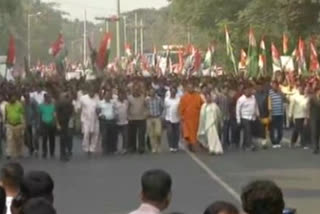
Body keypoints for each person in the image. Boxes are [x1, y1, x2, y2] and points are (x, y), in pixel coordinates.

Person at [179, 83, 203, 152]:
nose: (191, 89)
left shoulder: (198, 96)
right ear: (187, 89)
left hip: (196, 118)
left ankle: (194, 145)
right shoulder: (184, 97)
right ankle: (191, 145)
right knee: (189, 133)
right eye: (189, 87)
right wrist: (181, 116)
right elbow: (181, 108)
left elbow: (202, 105)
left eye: (192, 87)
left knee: (195, 133)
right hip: (187, 119)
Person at [236, 86, 259, 151]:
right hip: (244, 117)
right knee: (248, 130)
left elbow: (256, 106)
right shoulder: (241, 99)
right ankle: (249, 145)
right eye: (247, 90)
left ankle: (245, 144)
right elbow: (238, 110)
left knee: (249, 131)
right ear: (245, 91)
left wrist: (257, 114)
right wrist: (238, 119)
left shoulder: (253, 98)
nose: (249, 92)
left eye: (250, 90)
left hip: (252, 117)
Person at [128, 86, 148, 154]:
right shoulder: (129, 98)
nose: (136, 91)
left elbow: (146, 106)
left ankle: (141, 147)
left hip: (141, 118)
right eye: (135, 90)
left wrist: (146, 114)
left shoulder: (143, 97)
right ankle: (132, 147)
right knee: (132, 134)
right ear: (133, 91)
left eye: (137, 90)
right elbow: (127, 107)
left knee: (141, 134)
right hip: (132, 118)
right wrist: (128, 116)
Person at [79, 88, 100, 155]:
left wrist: (98, 111)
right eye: (91, 91)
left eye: (93, 92)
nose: (92, 93)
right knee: (86, 133)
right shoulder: (83, 98)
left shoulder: (97, 97)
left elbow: (98, 107)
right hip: (86, 119)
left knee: (95, 133)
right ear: (88, 91)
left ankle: (92, 148)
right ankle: (86, 148)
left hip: (95, 119)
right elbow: (79, 108)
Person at [97, 90, 117, 155]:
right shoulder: (100, 103)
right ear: (104, 95)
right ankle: (104, 149)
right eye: (106, 94)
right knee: (104, 135)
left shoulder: (113, 102)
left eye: (109, 95)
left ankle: (112, 149)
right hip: (104, 121)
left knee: (112, 135)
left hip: (112, 120)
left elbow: (115, 110)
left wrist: (115, 115)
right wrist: (100, 115)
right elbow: (98, 112)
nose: (108, 96)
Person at [289, 84, 309, 149]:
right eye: (300, 88)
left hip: (304, 115)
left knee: (297, 129)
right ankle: (304, 143)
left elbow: (307, 106)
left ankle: (292, 141)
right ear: (298, 89)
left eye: (302, 88)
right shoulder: (294, 97)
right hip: (297, 115)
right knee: (301, 129)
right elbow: (291, 106)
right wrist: (290, 115)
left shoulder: (305, 96)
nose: (301, 89)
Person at [5, 94, 25, 159]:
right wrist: (5, 122)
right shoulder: (7, 105)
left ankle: (20, 152)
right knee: (9, 139)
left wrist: (23, 125)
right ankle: (9, 153)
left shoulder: (19, 105)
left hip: (18, 124)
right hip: (10, 124)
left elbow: (22, 114)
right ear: (9, 98)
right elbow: (6, 114)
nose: (12, 99)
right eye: (11, 98)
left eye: (13, 98)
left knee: (18, 140)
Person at [56, 91, 74, 161]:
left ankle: (64, 153)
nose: (67, 98)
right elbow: (56, 114)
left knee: (66, 138)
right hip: (61, 123)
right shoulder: (59, 104)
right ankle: (62, 154)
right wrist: (57, 124)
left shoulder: (70, 105)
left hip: (66, 123)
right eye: (66, 97)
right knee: (62, 139)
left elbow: (71, 114)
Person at [38, 94, 56, 159]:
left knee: (52, 139)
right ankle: (44, 152)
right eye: (47, 98)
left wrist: (54, 122)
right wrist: (39, 124)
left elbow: (54, 114)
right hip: (44, 123)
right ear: (45, 98)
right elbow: (39, 115)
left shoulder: (53, 106)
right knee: (44, 138)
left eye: (49, 98)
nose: (49, 99)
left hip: (51, 123)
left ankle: (52, 152)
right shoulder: (41, 106)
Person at [145, 88, 163, 153]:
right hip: (149, 118)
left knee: (158, 133)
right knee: (151, 134)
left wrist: (161, 116)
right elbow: (145, 107)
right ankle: (153, 147)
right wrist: (146, 114)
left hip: (157, 117)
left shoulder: (159, 99)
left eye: (153, 92)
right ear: (149, 93)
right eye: (150, 92)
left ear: (155, 92)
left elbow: (162, 107)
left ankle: (159, 145)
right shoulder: (147, 100)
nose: (151, 93)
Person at [269, 81, 285, 148]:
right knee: (272, 129)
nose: (274, 87)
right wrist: (269, 114)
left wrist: (280, 92)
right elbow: (269, 103)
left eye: (275, 85)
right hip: (273, 114)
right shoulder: (270, 93)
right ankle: (273, 142)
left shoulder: (280, 92)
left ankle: (278, 141)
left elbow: (285, 99)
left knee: (280, 129)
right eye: (273, 85)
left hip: (280, 114)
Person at [164, 86, 181, 152]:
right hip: (168, 118)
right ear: (170, 92)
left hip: (177, 118)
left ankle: (175, 145)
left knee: (176, 133)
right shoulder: (166, 99)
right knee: (170, 132)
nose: (173, 92)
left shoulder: (178, 99)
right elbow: (165, 108)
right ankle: (171, 145)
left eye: (174, 91)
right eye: (172, 91)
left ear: (176, 92)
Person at [309, 87, 320, 154]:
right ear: (316, 91)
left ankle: (317, 146)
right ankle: (314, 148)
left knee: (318, 133)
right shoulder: (313, 98)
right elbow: (308, 107)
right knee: (314, 132)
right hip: (313, 118)